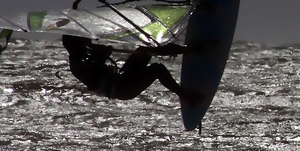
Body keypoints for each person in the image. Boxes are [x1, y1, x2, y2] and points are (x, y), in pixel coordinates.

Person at [62, 35, 200, 104]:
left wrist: (98, 49)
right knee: (157, 69)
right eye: (83, 39)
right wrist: (101, 52)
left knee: (143, 50)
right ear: (77, 44)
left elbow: (99, 60)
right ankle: (185, 95)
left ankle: (186, 50)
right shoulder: (78, 64)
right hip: (124, 88)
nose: (88, 40)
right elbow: (97, 63)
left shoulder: (83, 55)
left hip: (123, 78)